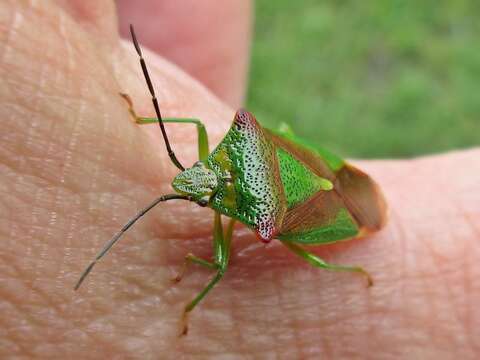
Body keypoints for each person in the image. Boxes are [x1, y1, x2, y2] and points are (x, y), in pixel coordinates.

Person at [1, 1, 478, 358]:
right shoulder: (233, 164)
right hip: (320, 170)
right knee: (283, 140)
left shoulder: (250, 217)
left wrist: (189, 294)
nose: (192, 181)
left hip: (340, 216)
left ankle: (354, 265)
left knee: (295, 264)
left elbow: (218, 267)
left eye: (204, 193)